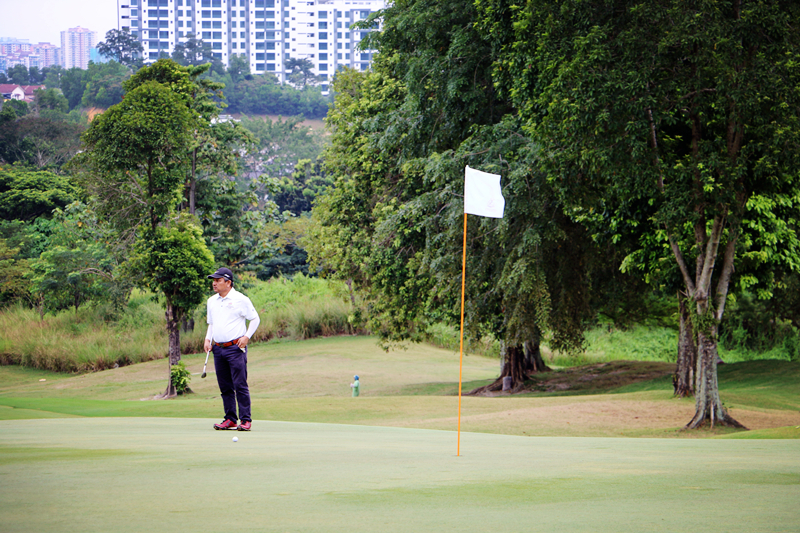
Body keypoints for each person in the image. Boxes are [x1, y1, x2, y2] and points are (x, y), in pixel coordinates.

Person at [204, 267, 260, 431]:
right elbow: (212, 323)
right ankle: (230, 419)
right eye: (213, 280)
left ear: (228, 282)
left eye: (218, 280)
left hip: (235, 348)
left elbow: (255, 319)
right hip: (218, 349)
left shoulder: (240, 299)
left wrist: (247, 336)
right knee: (225, 386)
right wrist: (208, 339)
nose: (214, 283)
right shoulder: (211, 301)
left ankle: (245, 420)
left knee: (240, 384)